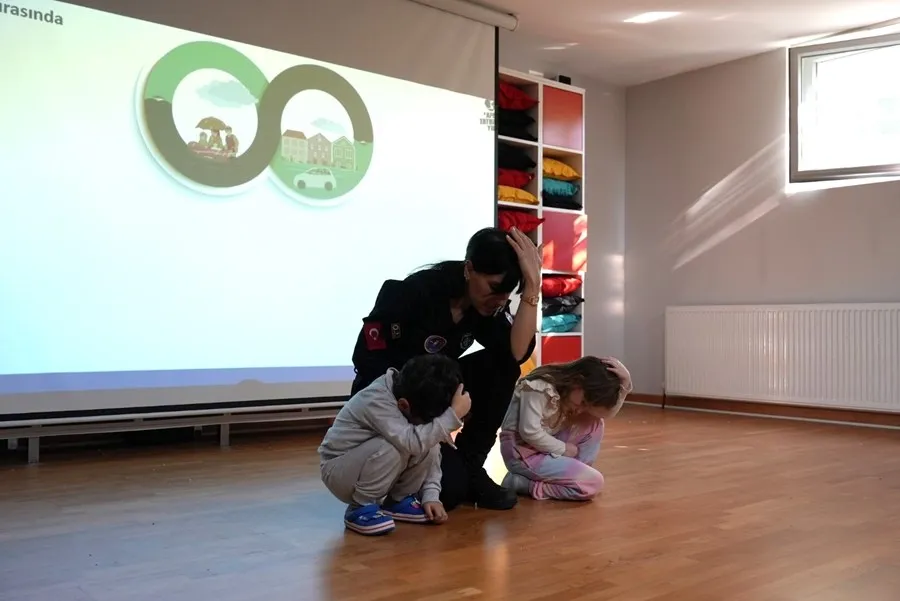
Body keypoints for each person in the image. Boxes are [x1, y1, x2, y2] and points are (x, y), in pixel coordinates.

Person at [350, 227, 542, 511]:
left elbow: (516, 352)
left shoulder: (486, 308)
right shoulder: (413, 292)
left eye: (507, 293)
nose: (501, 300)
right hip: (390, 401)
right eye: (494, 288)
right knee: (448, 492)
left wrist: (533, 287)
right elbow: (367, 363)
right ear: (469, 269)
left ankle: (471, 464)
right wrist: (414, 416)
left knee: (503, 366)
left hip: (432, 395)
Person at [319, 354, 472, 536]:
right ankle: (359, 507)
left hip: (370, 466)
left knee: (428, 439)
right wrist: (452, 416)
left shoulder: (409, 396)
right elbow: (412, 443)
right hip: (338, 471)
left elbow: (430, 444)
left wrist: (431, 495)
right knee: (399, 444)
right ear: (403, 405)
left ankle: (399, 501)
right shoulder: (376, 399)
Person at [499, 356, 633, 501]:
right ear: (577, 381)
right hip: (523, 453)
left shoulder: (570, 394)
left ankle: (572, 475)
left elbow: (602, 414)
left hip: (545, 446)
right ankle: (523, 484)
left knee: (595, 422)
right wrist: (563, 449)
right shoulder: (539, 387)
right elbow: (530, 432)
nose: (581, 409)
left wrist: (625, 386)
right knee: (593, 483)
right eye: (583, 402)